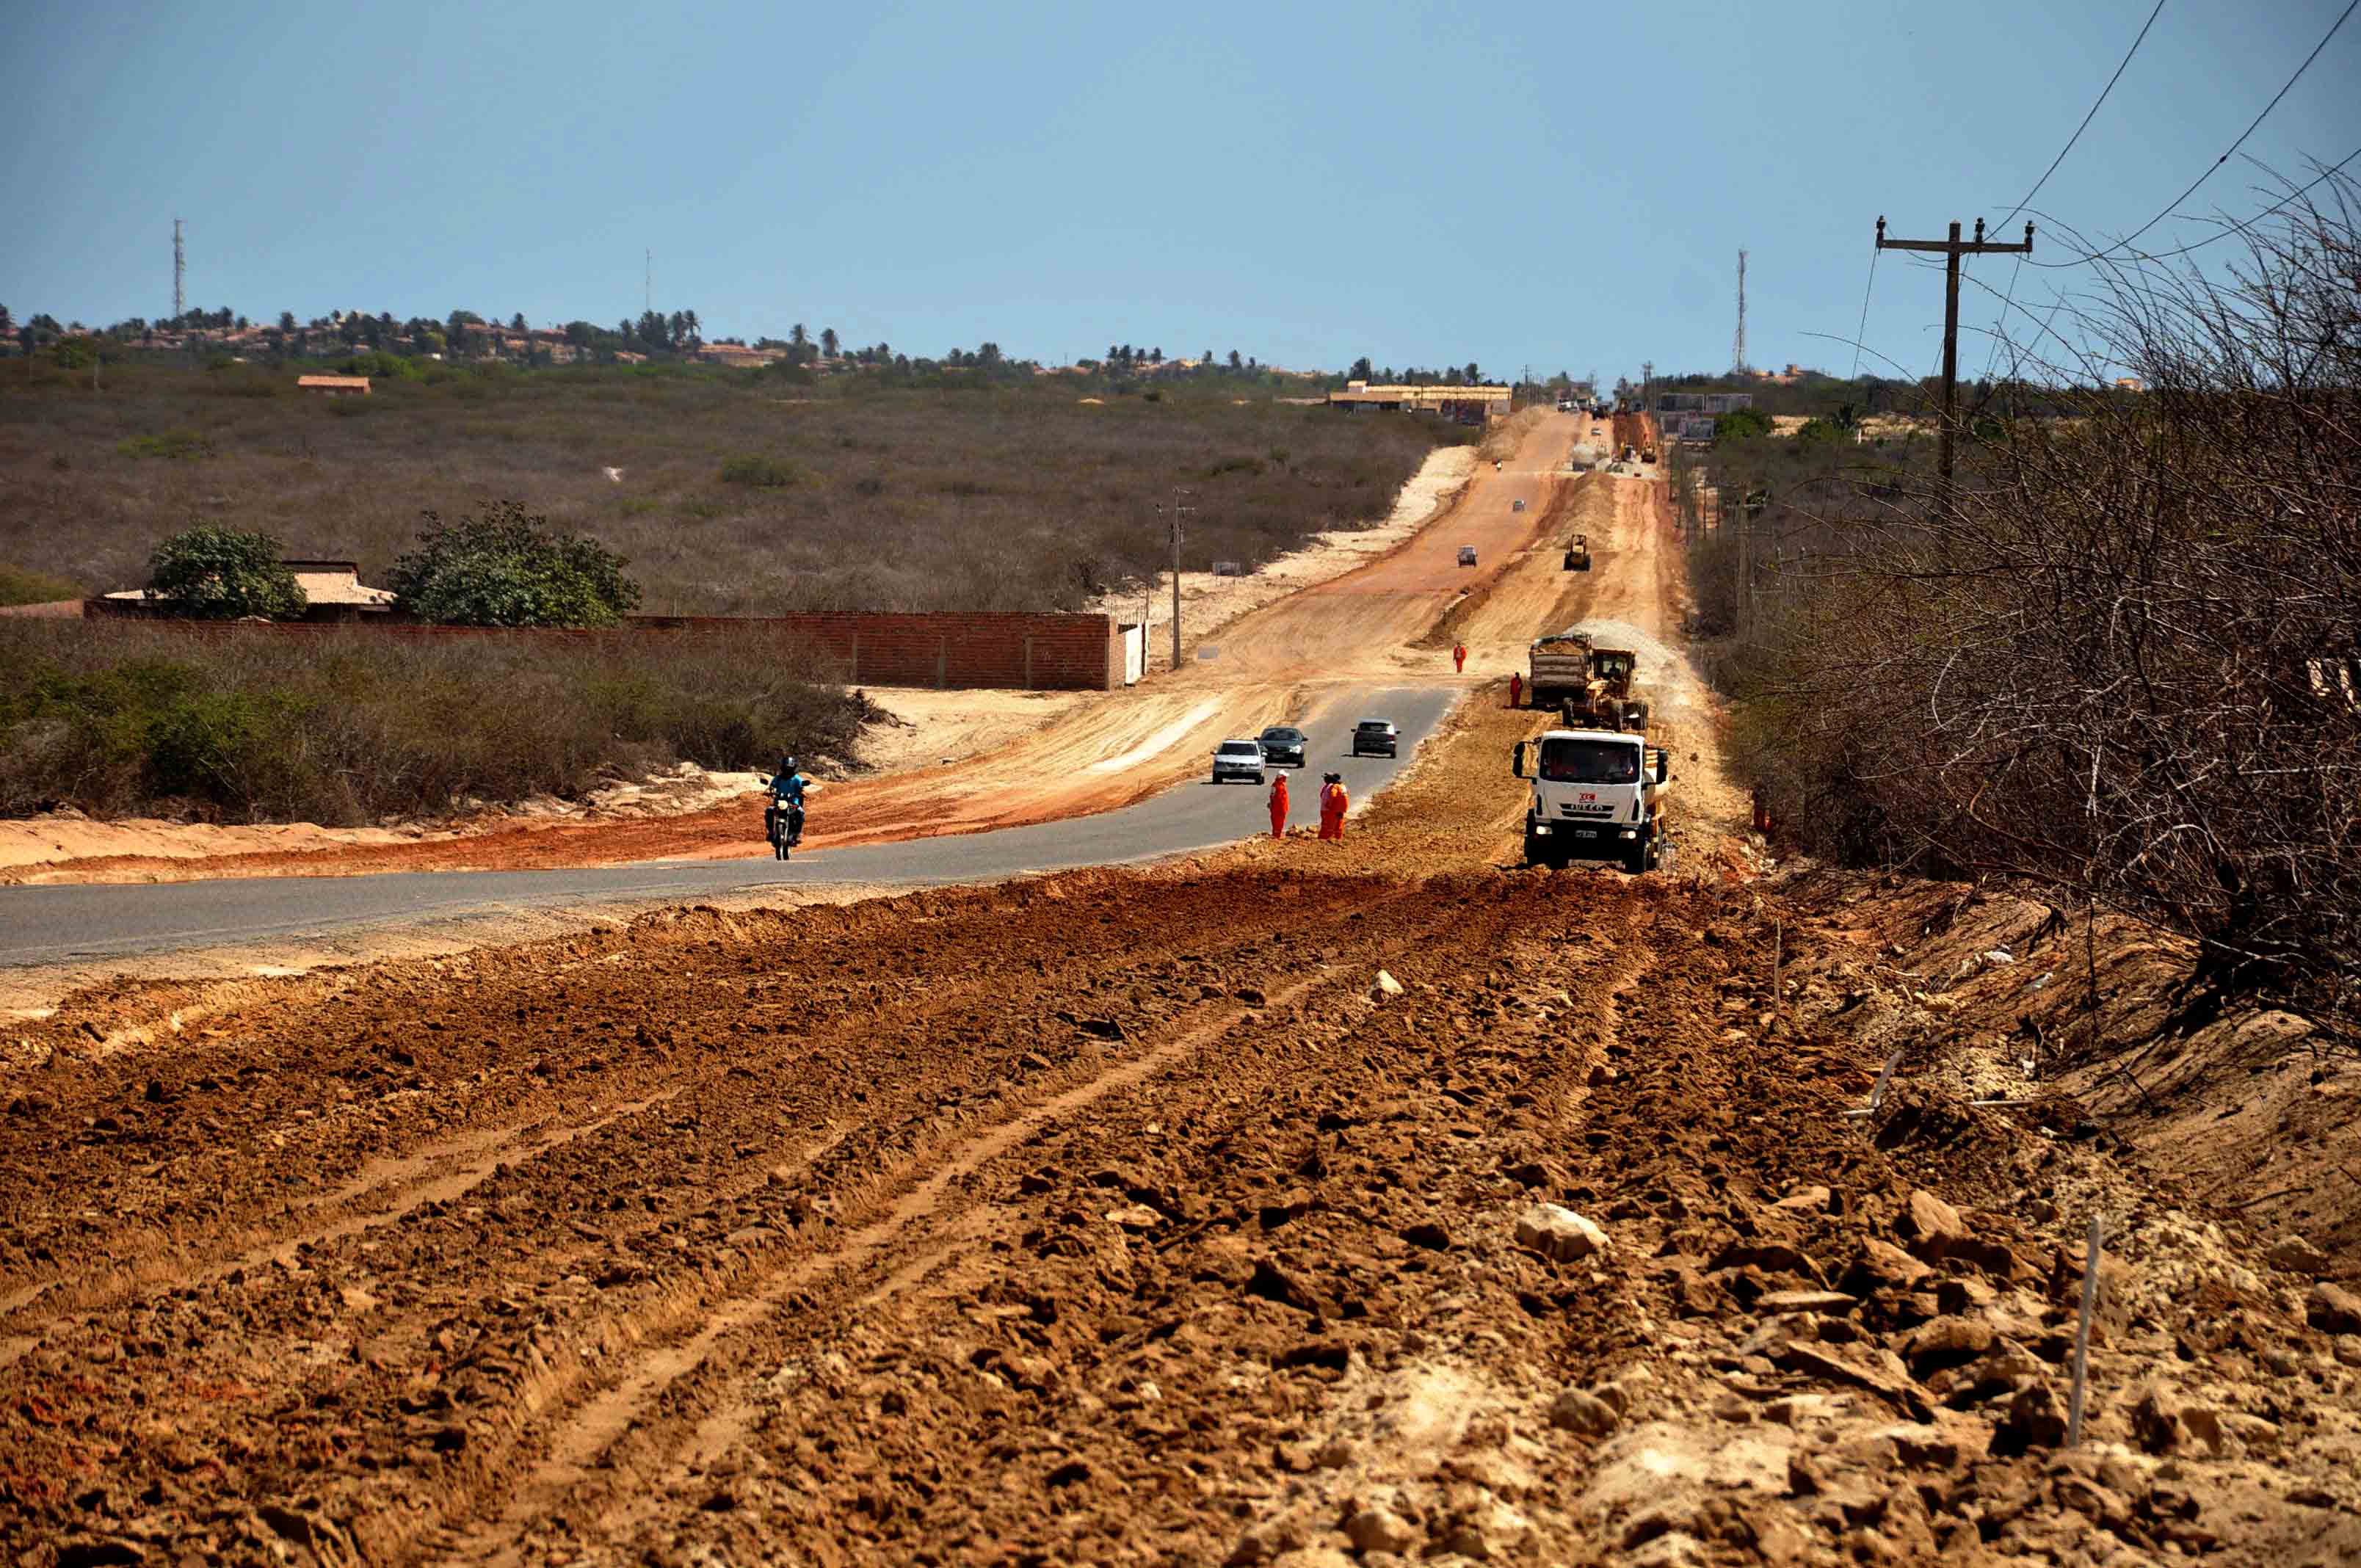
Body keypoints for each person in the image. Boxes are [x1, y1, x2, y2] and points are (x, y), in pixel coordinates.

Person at [765, 755, 816, 846]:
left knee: (800, 812)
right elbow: (772, 786)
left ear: (793, 769)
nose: (787, 771)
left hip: (793, 803)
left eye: (789, 769)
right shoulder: (778, 778)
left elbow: (802, 788)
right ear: (782, 768)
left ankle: (798, 833)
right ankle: (770, 831)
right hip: (779, 802)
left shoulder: (797, 779)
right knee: (769, 810)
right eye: (785, 769)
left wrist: (803, 793)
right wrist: (769, 791)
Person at [1318, 772, 1348, 841]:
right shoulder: (1343, 786)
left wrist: (1329, 805)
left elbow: (1333, 795)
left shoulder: (1334, 787)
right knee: (1339, 824)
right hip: (1342, 809)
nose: (1324, 780)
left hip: (1333, 809)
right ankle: (1338, 837)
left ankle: (1324, 838)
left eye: (1326, 778)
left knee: (1328, 825)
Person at [1266, 771, 1289, 839]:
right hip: (1277, 808)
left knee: (1280, 822)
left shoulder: (1281, 785)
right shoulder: (1275, 785)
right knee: (1277, 822)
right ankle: (1276, 835)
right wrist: (1271, 803)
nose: (1285, 779)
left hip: (1282, 807)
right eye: (1284, 777)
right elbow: (1272, 796)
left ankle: (1277, 834)